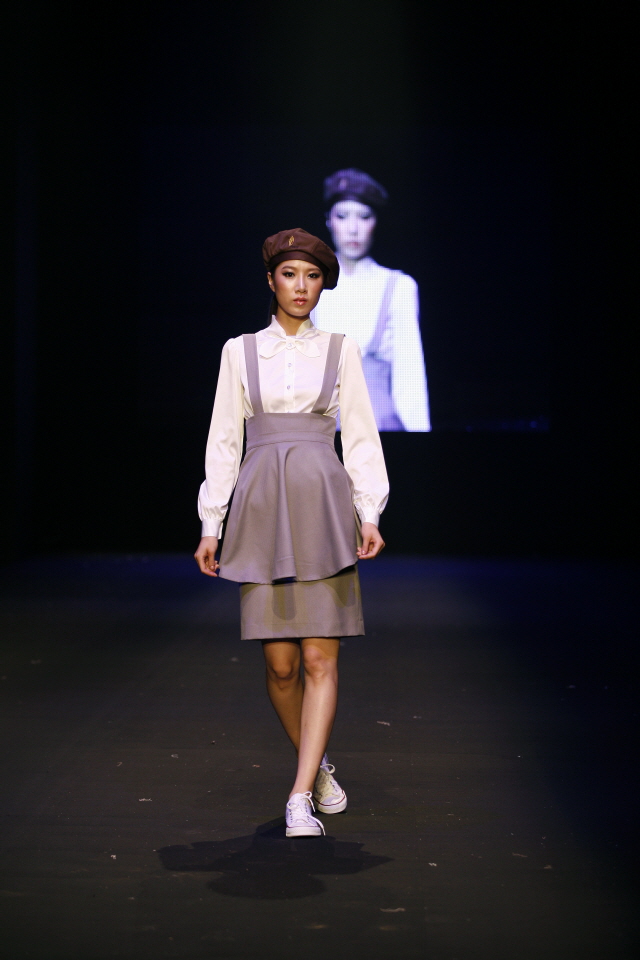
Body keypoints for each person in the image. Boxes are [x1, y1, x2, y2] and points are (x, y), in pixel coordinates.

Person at [194, 229, 389, 837]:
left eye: (312, 275)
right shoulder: (240, 351)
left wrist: (370, 511)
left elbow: (361, 434)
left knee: (318, 657)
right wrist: (211, 522)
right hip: (262, 510)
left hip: (322, 507)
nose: (301, 286)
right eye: (289, 274)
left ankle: (299, 796)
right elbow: (224, 439)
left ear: (323, 284)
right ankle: (319, 764)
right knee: (281, 668)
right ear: (271, 281)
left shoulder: (340, 350)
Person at [311, 168, 431, 431]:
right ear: (329, 220)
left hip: (379, 430)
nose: (353, 229)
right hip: (319, 435)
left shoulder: (397, 287)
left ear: (376, 222)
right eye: (342, 216)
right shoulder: (308, 286)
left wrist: (420, 441)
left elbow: (410, 375)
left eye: (364, 217)